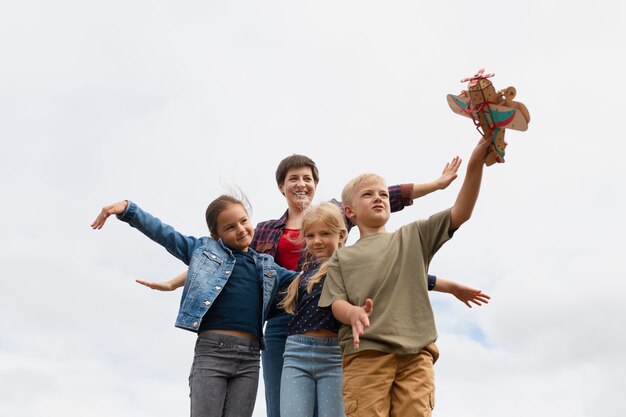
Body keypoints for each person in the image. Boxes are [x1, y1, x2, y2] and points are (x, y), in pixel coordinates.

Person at [136, 154, 462, 417]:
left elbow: (385, 199)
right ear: (282, 187)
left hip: (329, 320)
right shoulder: (263, 229)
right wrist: (173, 283)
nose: (301, 183)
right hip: (283, 325)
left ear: (316, 186)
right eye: (293, 178)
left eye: (307, 178)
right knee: (283, 408)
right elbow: (228, 264)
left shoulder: (333, 216)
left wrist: (436, 184)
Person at [318, 136, 492, 417]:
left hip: (417, 354)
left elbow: (461, 212)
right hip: (366, 355)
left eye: (384, 194)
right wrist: (352, 314)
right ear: (349, 211)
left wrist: (475, 164)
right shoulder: (342, 256)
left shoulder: (414, 236)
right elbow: (336, 302)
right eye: (368, 194)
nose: (378, 197)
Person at [90, 196, 299, 417]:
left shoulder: (267, 267)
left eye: (243, 220)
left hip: (249, 360)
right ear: (216, 235)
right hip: (212, 354)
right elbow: (167, 235)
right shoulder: (203, 251)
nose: (240, 229)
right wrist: (129, 211)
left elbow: (303, 281)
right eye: (230, 227)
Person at [278, 202, 489, 417]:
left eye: (324, 233)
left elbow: (414, 276)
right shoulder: (300, 275)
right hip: (297, 350)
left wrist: (452, 287)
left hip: (333, 353)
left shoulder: (349, 263)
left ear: (341, 234)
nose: (317, 240)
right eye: (310, 236)